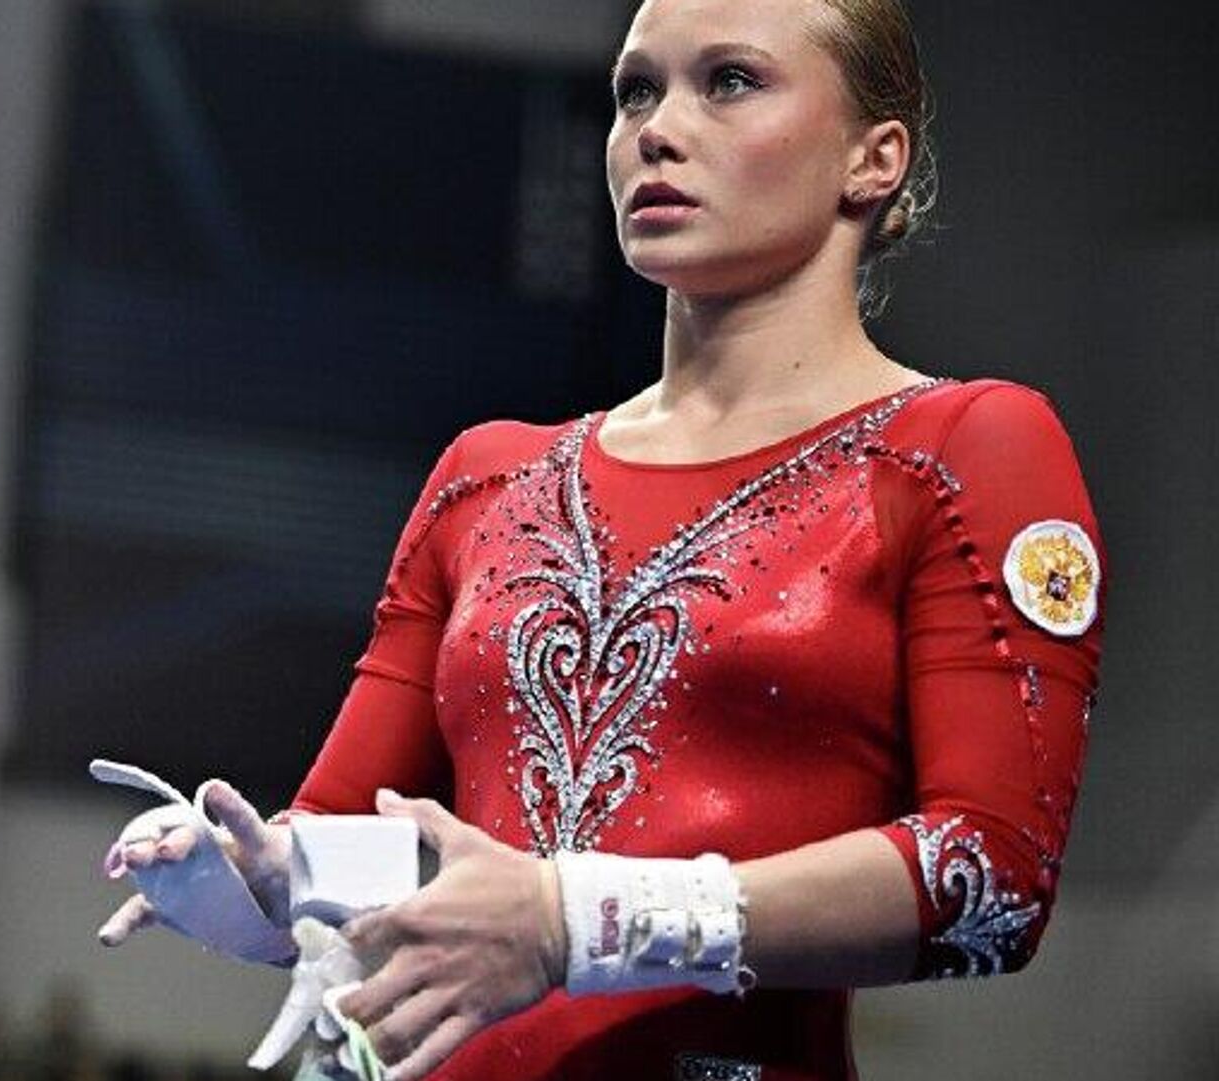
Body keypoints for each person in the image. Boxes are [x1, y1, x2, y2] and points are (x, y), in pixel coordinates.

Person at [97, 0, 1106, 1078]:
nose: (657, 130)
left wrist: (575, 917)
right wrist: (259, 878)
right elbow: (361, 839)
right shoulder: (489, 478)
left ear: (874, 158)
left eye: (730, 82)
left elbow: (993, 881)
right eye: (636, 91)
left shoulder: (955, 450)